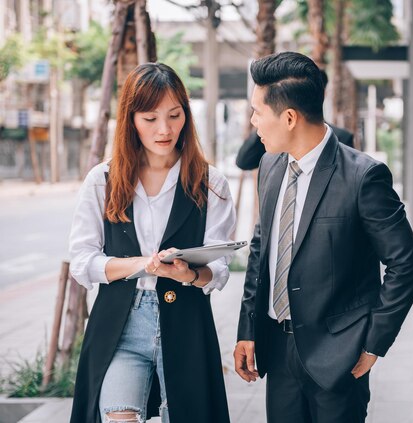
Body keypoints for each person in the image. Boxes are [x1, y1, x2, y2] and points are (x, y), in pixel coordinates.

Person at [234, 52, 413, 423]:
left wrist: (373, 343)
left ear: (289, 118)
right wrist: (248, 328)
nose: (253, 121)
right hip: (278, 350)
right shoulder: (271, 166)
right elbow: (262, 248)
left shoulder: (363, 176)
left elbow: (405, 264)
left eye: (257, 111)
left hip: (339, 355)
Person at [68, 62, 234, 423]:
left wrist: (186, 274)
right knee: (118, 416)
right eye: (150, 118)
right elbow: (82, 262)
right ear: (130, 120)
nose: (164, 129)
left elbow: (218, 272)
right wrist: (143, 264)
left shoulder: (210, 183)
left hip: (185, 323)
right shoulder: (103, 180)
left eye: (174, 116)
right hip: (120, 326)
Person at [235, 70, 354, 171]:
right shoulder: (270, 157)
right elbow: (243, 161)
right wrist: (267, 117)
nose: (253, 120)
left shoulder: (343, 139)